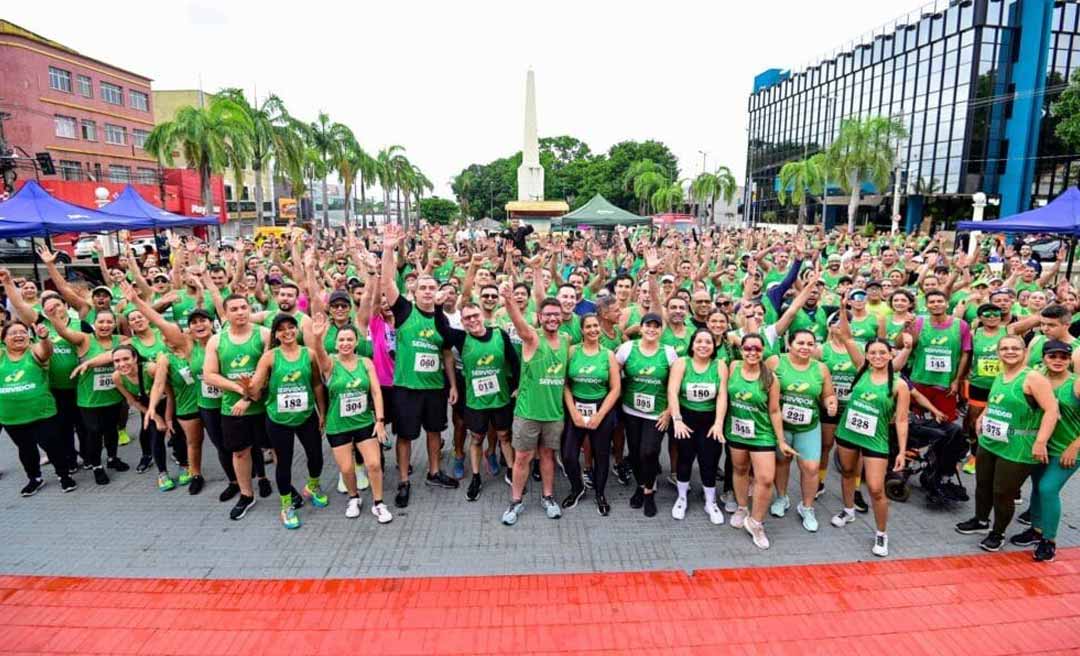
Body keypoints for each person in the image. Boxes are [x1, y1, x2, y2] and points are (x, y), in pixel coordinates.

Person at [955, 334, 1059, 552]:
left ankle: (998, 532)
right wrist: (984, 415)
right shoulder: (1001, 373)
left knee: (1003, 492)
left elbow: (1052, 410)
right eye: (1004, 349)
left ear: (1025, 352)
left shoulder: (1033, 378)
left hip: (1018, 446)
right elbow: (994, 400)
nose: (1009, 352)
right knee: (983, 484)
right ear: (998, 353)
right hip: (991, 440)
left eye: (1015, 348)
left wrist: (1040, 442)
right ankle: (980, 520)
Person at [380, 224, 458, 509]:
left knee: (435, 431)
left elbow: (447, 353)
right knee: (405, 435)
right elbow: (387, 282)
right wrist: (388, 249)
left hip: (435, 388)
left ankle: (434, 472)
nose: (427, 291)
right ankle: (403, 480)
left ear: (439, 293)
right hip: (407, 388)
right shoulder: (404, 311)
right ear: (415, 291)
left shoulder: (441, 320)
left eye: (432, 287)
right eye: (422, 287)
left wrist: (451, 386)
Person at [830, 330, 911, 557]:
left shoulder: (898, 385)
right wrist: (844, 306)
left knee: (876, 488)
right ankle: (848, 510)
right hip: (848, 432)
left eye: (882, 353)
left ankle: (881, 533)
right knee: (847, 471)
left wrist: (902, 451)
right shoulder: (861, 370)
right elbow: (845, 336)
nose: (877, 356)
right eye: (872, 353)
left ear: (890, 355)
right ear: (866, 356)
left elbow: (902, 420)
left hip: (876, 439)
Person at [247, 314, 329, 529]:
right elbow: (256, 386)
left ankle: (313, 486)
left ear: (297, 330)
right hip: (278, 418)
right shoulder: (270, 357)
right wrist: (249, 388)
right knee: (284, 462)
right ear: (276, 334)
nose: (287, 332)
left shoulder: (309, 354)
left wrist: (323, 413)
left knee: (316, 457)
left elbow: (317, 385)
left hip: (306, 415)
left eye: (291, 327)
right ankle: (286, 504)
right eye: (281, 329)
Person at [310, 315, 393, 524]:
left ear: (356, 342)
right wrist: (318, 338)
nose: (345, 343)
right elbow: (319, 355)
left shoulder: (365, 363)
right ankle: (354, 498)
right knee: (346, 469)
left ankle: (378, 503)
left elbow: (375, 392)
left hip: (364, 422)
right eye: (341, 340)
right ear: (336, 343)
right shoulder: (330, 363)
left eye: (349, 339)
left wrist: (380, 420)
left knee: (374, 464)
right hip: (338, 425)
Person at [499, 286, 568, 526]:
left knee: (548, 456)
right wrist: (509, 301)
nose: (552, 318)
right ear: (539, 317)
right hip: (528, 413)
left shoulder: (567, 340)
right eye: (547, 314)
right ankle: (516, 501)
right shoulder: (532, 338)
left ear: (562, 317)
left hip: (554, 414)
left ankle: (548, 497)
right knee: (523, 458)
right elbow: (518, 324)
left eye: (555, 314)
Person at [436, 300, 518, 502]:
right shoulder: (462, 338)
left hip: (501, 398)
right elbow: (441, 327)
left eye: (475, 316)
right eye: (467, 318)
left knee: (504, 436)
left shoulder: (499, 334)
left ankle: (512, 471)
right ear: (462, 321)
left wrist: (517, 386)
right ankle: (476, 477)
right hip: (475, 401)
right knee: (477, 438)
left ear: (482, 316)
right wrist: (438, 307)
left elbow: (514, 361)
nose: (472, 320)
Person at [202, 295, 273, 521]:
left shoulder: (263, 335)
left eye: (244, 307)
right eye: (234, 309)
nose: (241, 312)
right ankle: (246, 494)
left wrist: (250, 395)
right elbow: (209, 374)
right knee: (240, 452)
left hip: (264, 406)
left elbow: (271, 371)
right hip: (232, 408)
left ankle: (284, 488)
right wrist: (237, 388)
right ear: (226, 313)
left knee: (275, 449)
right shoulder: (217, 340)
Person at [1011, 340, 1080, 562]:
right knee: (1037, 487)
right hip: (1041, 444)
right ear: (1044, 358)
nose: (1058, 361)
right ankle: (1036, 529)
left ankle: (1049, 540)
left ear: (1070, 360)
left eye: (1063, 357)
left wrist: (1075, 446)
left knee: (1048, 488)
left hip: (1068, 448)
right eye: (1053, 356)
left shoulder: (1076, 384)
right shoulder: (1036, 377)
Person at [725, 333, 793, 549]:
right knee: (740, 469)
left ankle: (756, 522)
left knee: (765, 479)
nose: (752, 352)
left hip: (762, 434)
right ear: (741, 350)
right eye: (747, 348)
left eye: (757, 348)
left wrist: (780, 441)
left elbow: (774, 411)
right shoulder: (733, 367)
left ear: (763, 351)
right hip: (736, 431)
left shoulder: (771, 378)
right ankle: (742, 507)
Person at [766, 329, 838, 532]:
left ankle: (807, 507)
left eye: (810, 344)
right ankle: (781, 498)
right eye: (800, 343)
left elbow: (828, 395)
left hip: (808, 426)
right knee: (782, 461)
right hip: (781, 426)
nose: (805, 347)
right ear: (789, 344)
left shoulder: (820, 368)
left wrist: (830, 403)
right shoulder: (775, 362)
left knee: (811, 468)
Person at [49, 305, 128, 485]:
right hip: (89, 399)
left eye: (109, 322)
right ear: (94, 324)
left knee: (111, 431)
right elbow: (63, 331)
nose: (105, 325)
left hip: (113, 396)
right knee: (94, 432)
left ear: (115, 324)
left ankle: (112, 458)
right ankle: (96, 466)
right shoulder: (85, 339)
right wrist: (53, 317)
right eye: (101, 322)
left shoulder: (121, 340)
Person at [0, 320, 75, 495]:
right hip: (12, 417)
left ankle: (64, 476)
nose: (19, 335)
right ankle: (34, 478)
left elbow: (46, 351)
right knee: (26, 449)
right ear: (3, 339)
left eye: (23, 332)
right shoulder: (2, 356)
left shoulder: (34, 351)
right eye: (13, 333)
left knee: (53, 446)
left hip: (42, 413)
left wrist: (44, 338)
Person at [616, 312, 677, 518]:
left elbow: (674, 386)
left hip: (657, 413)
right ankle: (640, 486)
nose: (651, 329)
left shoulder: (668, 353)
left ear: (661, 330)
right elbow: (614, 376)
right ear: (640, 328)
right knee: (634, 453)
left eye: (656, 326)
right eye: (648, 326)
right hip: (631, 411)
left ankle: (649, 492)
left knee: (649, 452)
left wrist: (669, 411)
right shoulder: (627, 349)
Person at [667, 329, 728, 524]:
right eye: (699, 341)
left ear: (714, 346)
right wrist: (677, 420)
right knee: (684, 459)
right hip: (686, 418)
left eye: (708, 342)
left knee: (709, 461)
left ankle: (710, 501)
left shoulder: (719, 365)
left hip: (710, 420)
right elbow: (672, 391)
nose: (703, 345)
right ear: (692, 345)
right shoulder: (682, 363)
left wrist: (718, 423)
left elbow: (722, 395)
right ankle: (681, 498)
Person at [563, 313, 621, 515]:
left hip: (601, 407)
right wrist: (574, 412)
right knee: (569, 455)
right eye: (588, 327)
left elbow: (615, 388)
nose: (593, 330)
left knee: (601, 455)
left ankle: (600, 493)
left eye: (596, 326)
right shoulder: (572, 352)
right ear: (582, 330)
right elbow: (565, 384)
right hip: (576, 407)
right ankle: (577, 488)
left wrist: (599, 415)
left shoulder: (608, 355)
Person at [111, 345, 174, 491]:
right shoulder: (117, 377)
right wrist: (156, 417)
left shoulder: (150, 369)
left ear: (135, 358)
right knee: (155, 436)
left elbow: (170, 394)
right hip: (146, 408)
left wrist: (168, 418)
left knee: (175, 433)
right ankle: (162, 473)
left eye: (126, 359)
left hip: (167, 402)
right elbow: (132, 401)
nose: (122, 364)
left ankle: (184, 464)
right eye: (117, 361)